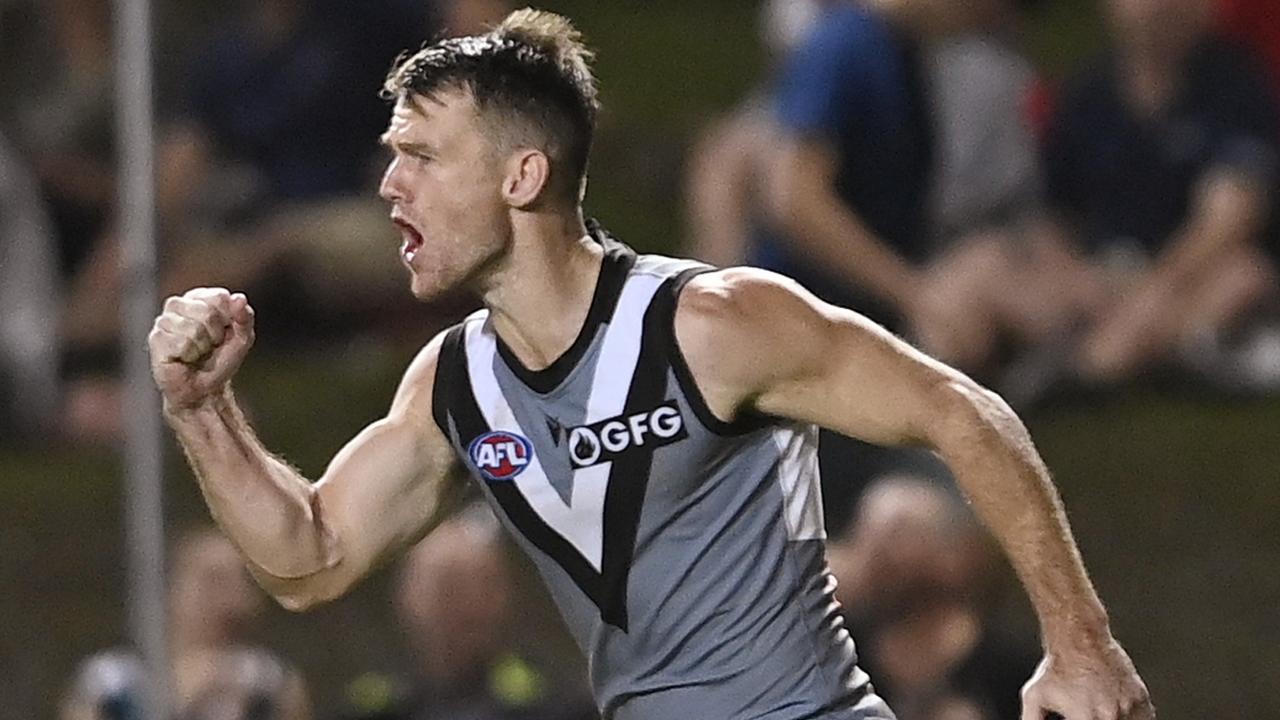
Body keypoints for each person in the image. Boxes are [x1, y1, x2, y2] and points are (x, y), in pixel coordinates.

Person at [147, 9, 1154, 720]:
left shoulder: (710, 323)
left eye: (421, 156)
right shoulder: (455, 385)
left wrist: (1077, 641)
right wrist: (201, 411)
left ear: (521, 175)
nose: (388, 185)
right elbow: (310, 560)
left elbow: (962, 412)